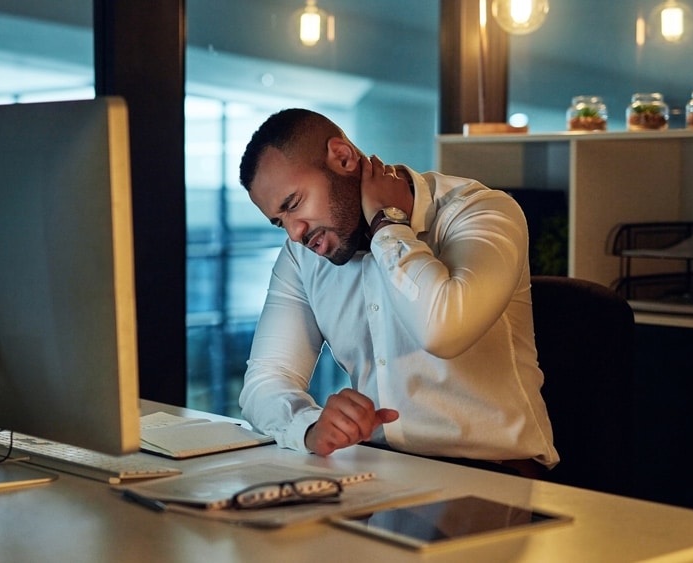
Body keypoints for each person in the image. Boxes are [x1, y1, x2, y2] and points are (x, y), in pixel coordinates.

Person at [237, 108, 559, 477]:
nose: (294, 232)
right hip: (379, 472)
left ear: (342, 157)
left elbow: (443, 331)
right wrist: (309, 427)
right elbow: (265, 380)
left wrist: (388, 224)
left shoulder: (481, 211)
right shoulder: (300, 256)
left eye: (294, 204)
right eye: (280, 221)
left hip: (495, 477)